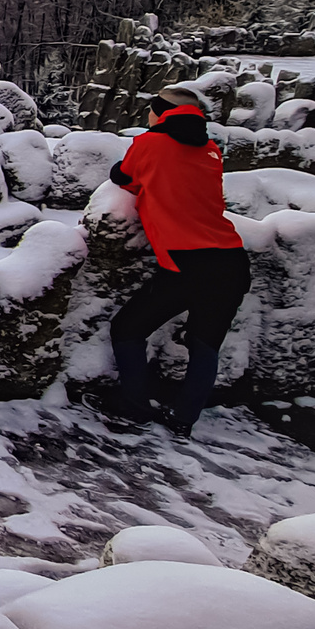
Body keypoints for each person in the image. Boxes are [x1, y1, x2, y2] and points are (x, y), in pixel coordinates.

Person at [105, 86, 251, 437]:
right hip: (231, 261)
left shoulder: (148, 144)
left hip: (187, 264)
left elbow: (122, 176)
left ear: (158, 111)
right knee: (205, 345)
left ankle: (134, 408)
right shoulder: (211, 148)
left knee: (128, 328)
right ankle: (183, 419)